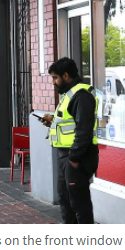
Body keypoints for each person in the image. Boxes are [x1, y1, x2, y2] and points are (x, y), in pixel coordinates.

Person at [42, 57, 99, 224]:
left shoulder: (81, 96)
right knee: (66, 200)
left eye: (55, 78)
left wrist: (73, 159)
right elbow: (70, 123)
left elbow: (84, 131)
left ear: (66, 76)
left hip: (77, 157)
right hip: (66, 156)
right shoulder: (69, 94)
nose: (53, 82)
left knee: (78, 203)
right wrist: (52, 121)